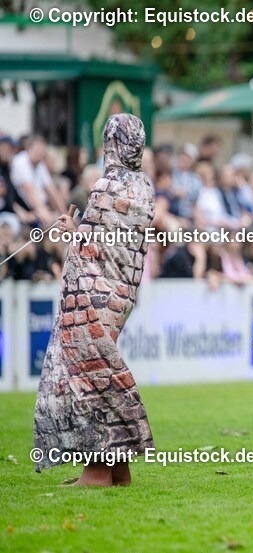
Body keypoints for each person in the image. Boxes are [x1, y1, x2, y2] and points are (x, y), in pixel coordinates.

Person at [33, 113, 156, 486]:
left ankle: (97, 472)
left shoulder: (107, 187)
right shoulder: (145, 188)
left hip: (94, 294)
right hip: (122, 294)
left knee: (90, 377)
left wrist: (72, 230)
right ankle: (119, 470)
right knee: (102, 371)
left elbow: (91, 248)